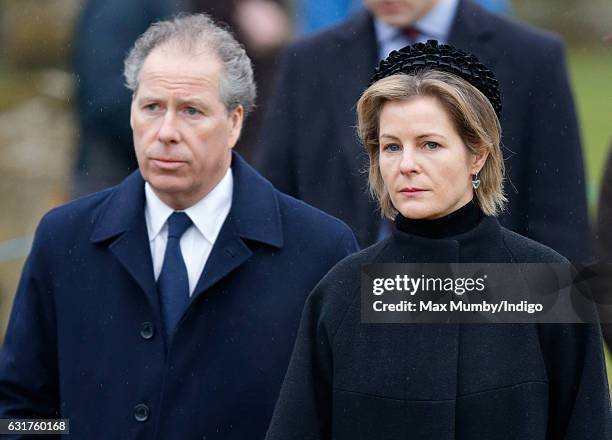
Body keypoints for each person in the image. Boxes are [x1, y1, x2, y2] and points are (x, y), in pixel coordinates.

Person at [0, 14, 358, 439]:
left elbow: (344, 414)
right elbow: (21, 408)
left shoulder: (319, 249)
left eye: (191, 111)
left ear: (234, 122)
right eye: (152, 107)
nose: (166, 132)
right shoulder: (64, 239)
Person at [265, 41, 612, 439]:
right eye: (391, 147)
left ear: (478, 153)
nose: (406, 165)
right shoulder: (342, 293)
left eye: (430, 144)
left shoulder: (552, 288)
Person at [256, 0, 591, 263]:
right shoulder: (307, 61)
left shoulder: (532, 57)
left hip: (488, 310)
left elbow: (561, 219)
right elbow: (276, 201)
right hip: (345, 316)